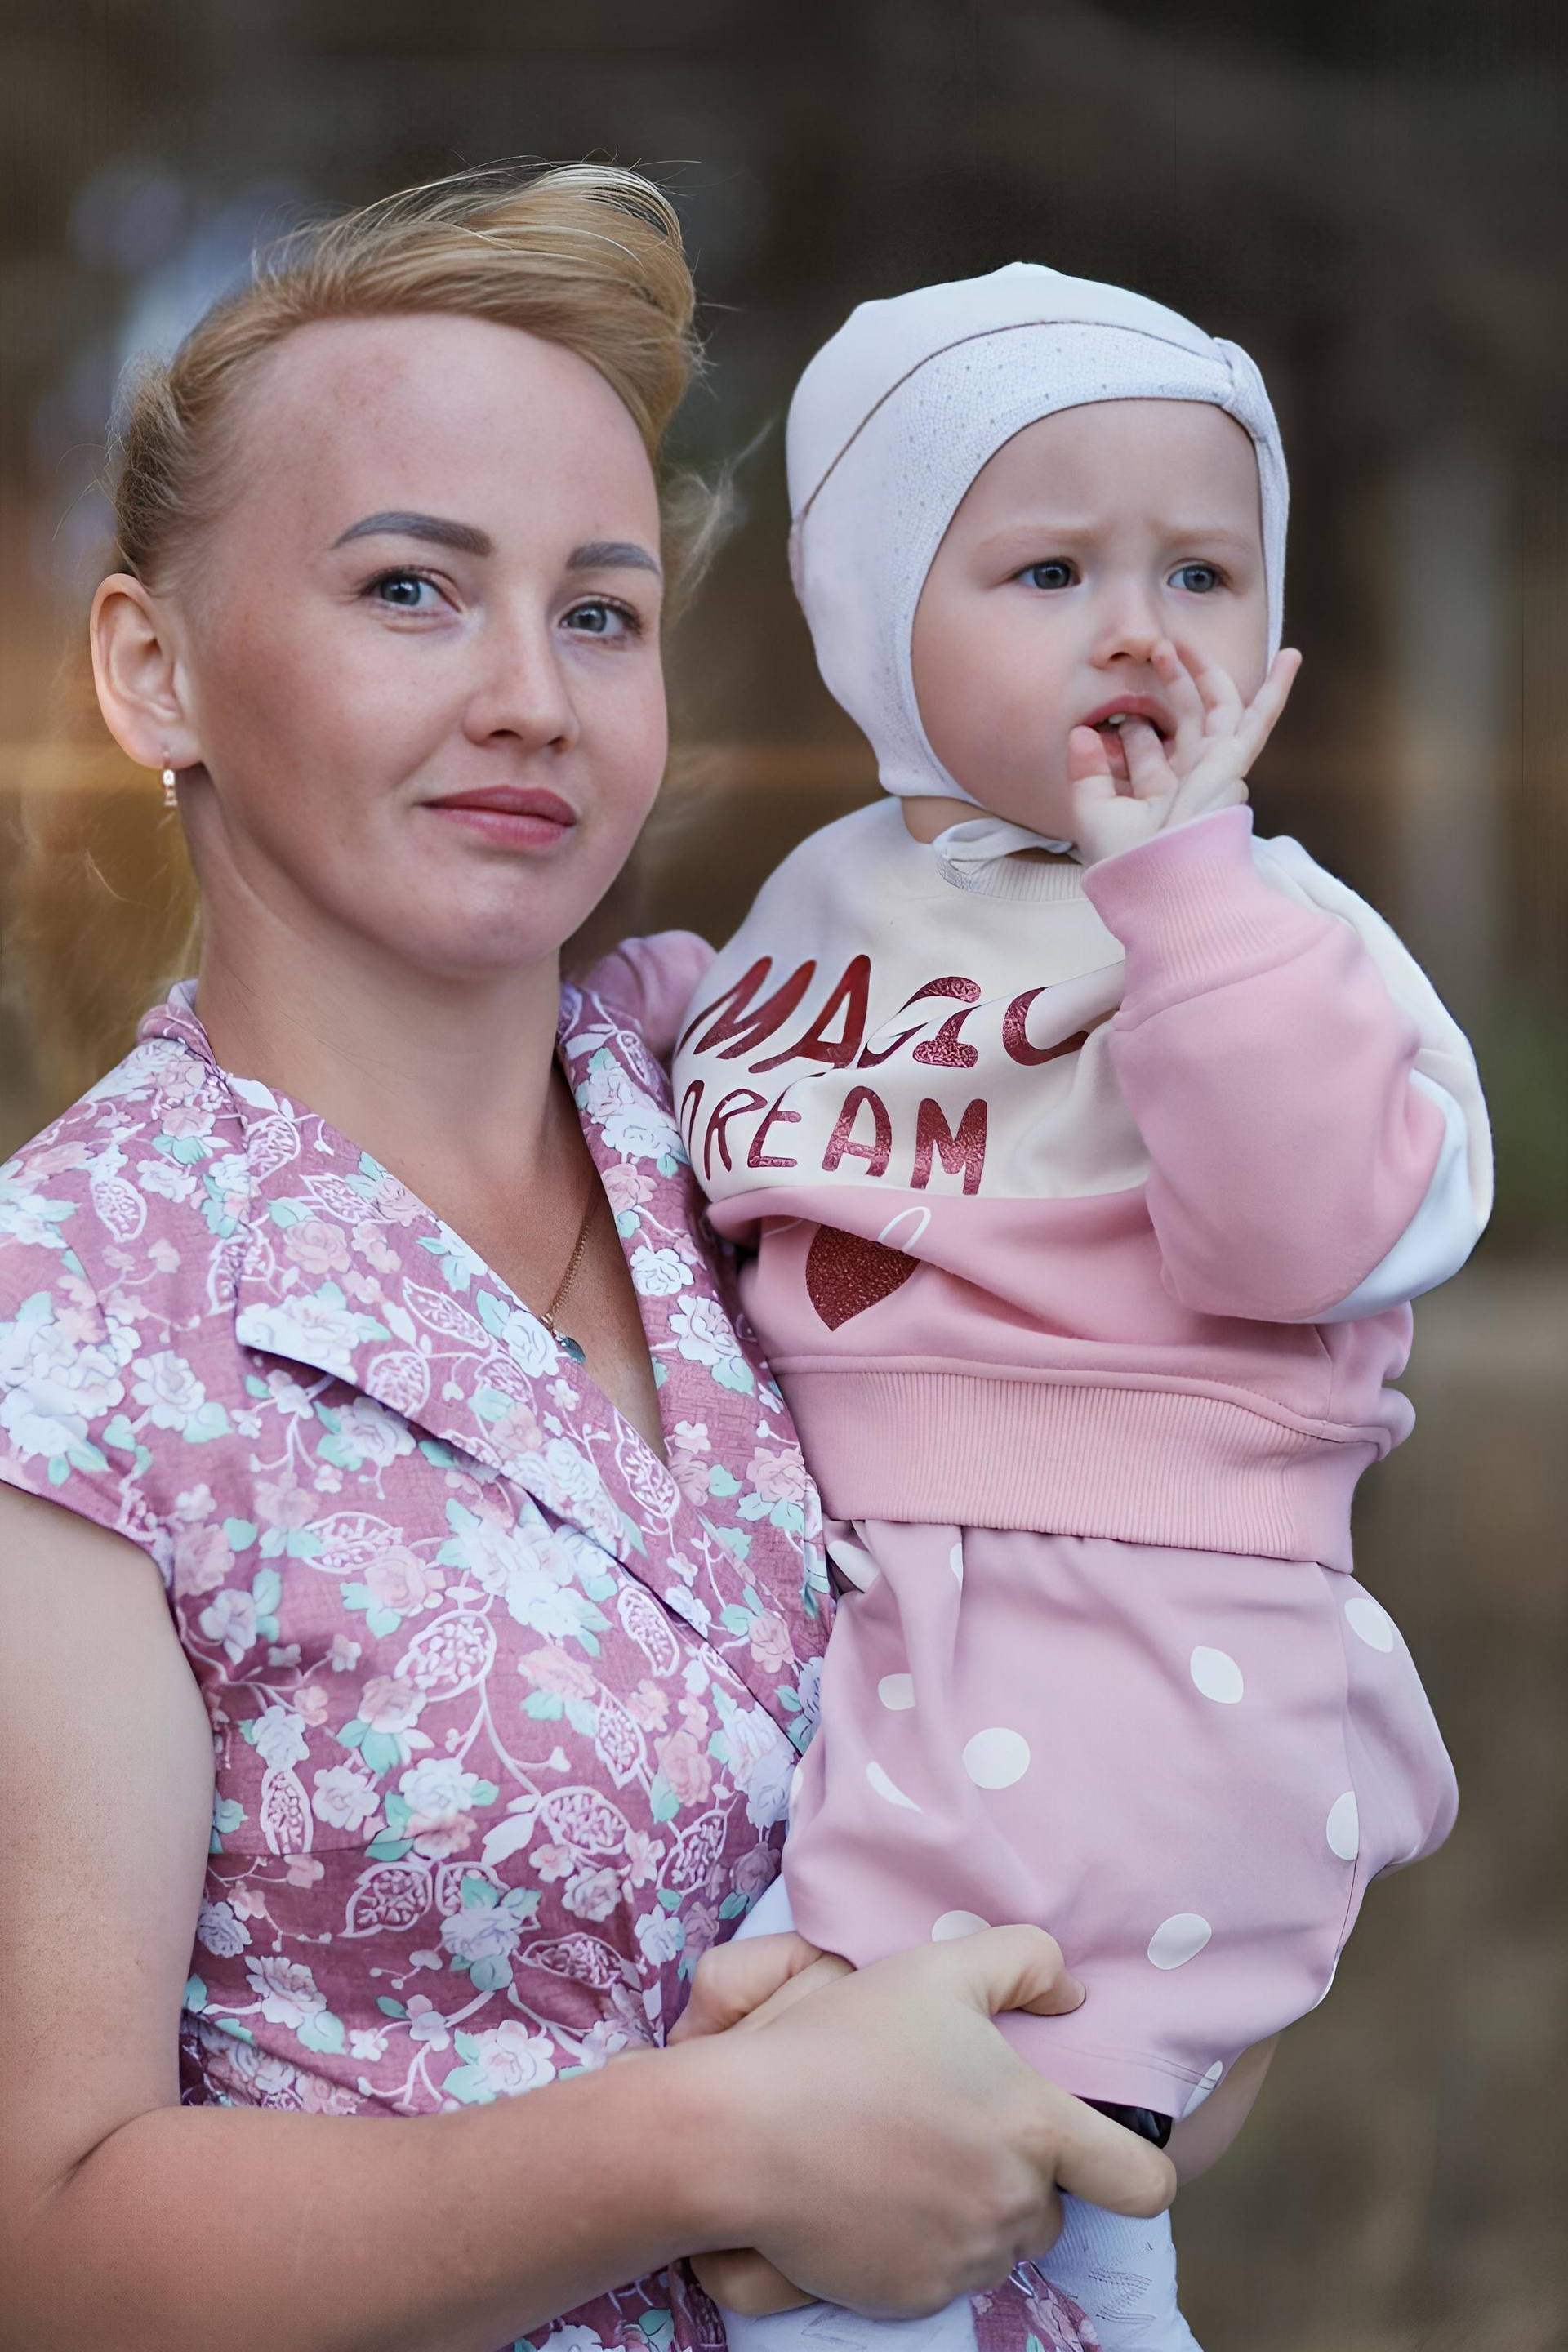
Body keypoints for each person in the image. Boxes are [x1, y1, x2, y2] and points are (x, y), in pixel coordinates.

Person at [0, 188, 1174, 2352]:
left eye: (603, 614)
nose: (533, 698)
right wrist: (713, 2147)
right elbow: (44, 2248)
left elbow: (1153, 1642)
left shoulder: (795, 1120)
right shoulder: (70, 1323)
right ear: (151, 668)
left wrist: (1121, 2051)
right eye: (412, 589)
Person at [669, 264, 1492, 2351]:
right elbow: (736, 1120)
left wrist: (1187, 894)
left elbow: (1311, 1231)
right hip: (896, 1606)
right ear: (876, 614)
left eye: (1202, 572)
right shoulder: (817, 902)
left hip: (1147, 1623)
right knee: (859, 2132)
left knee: (907, 2169)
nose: (1141, 631)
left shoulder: (1266, 926)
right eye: (1050, 571)